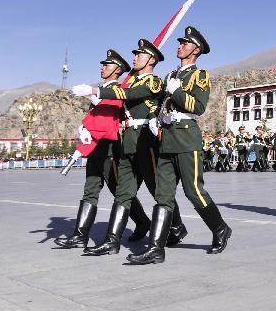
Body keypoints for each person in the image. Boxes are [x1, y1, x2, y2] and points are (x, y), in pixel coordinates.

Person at [128, 26, 231, 265]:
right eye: (180, 42)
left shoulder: (200, 75)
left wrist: (178, 93)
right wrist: (156, 119)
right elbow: (162, 104)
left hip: (186, 138)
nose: (180, 46)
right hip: (167, 139)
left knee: (193, 191)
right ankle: (156, 248)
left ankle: (220, 228)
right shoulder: (169, 76)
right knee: (163, 196)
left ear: (195, 49)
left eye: (185, 43)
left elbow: (198, 107)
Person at [77, 41, 191, 256]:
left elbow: (128, 96)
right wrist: (88, 124)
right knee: (123, 193)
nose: (135, 57)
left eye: (140, 55)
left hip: (146, 143)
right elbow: (119, 111)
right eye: (136, 54)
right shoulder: (130, 85)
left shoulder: (154, 82)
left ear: (151, 60)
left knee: (157, 189)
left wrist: (94, 90)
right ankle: (112, 241)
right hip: (128, 142)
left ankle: (176, 226)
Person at [58, 49, 150, 250]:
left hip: (110, 148)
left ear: (117, 70)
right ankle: (79, 235)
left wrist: (95, 98)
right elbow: (94, 116)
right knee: (90, 190)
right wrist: (83, 128)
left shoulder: (117, 90)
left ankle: (142, 221)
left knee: (120, 191)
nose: (102, 67)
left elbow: (111, 117)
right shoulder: (101, 90)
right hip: (94, 148)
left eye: (107, 65)